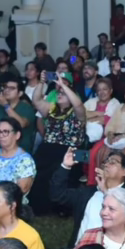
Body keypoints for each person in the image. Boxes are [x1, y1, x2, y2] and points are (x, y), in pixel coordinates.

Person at [30, 77, 87, 216]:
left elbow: (78, 104)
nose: (60, 94)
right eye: (59, 93)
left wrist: (63, 85)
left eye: (64, 94)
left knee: (55, 171)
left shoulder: (77, 112)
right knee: (36, 170)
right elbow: (36, 100)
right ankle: (36, 206)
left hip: (70, 151)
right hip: (48, 148)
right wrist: (42, 82)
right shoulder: (52, 108)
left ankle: (58, 207)